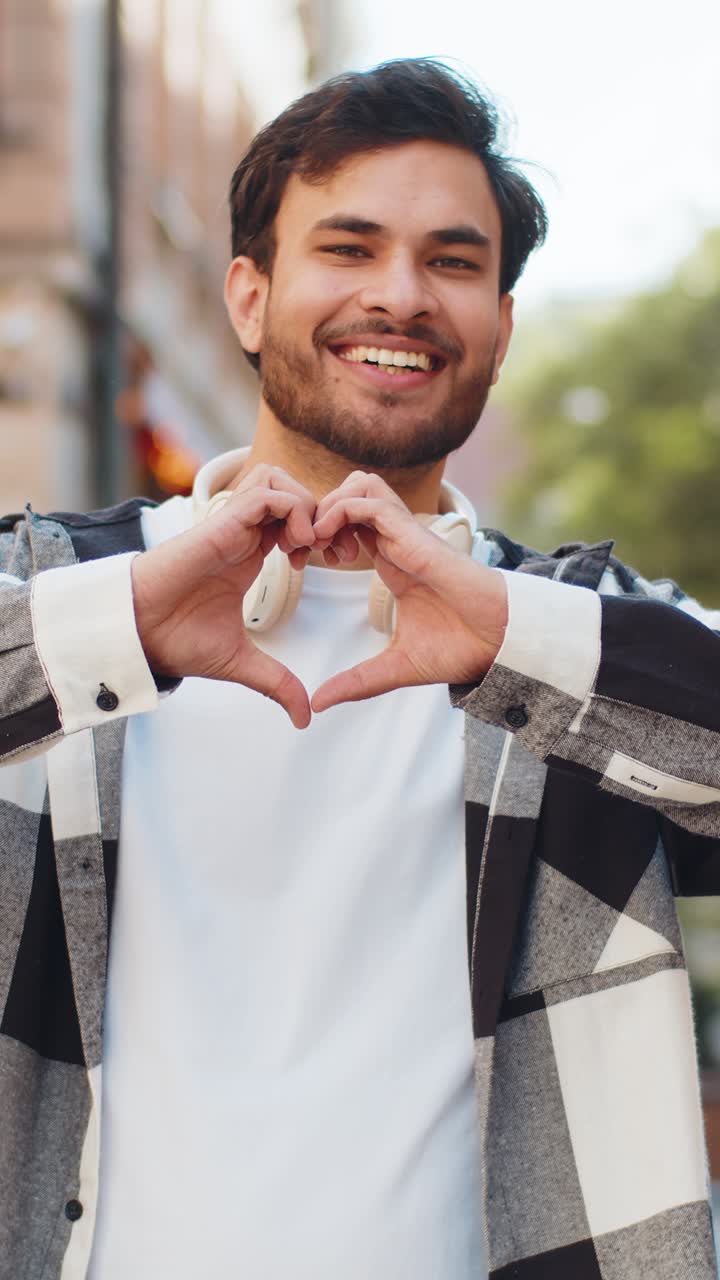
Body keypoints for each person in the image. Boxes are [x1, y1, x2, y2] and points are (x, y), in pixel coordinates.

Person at [1, 58, 719, 1280]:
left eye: (453, 261)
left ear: (498, 323)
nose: (402, 296)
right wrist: (114, 626)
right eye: (348, 247)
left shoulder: (575, 642)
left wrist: (510, 643)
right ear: (247, 295)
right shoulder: (63, 593)